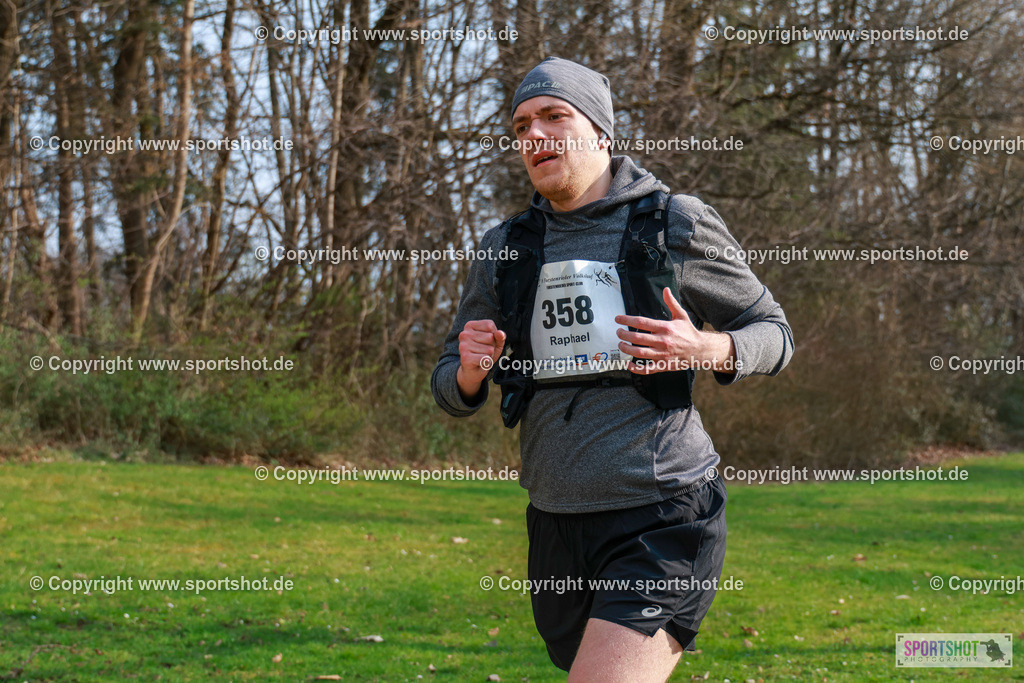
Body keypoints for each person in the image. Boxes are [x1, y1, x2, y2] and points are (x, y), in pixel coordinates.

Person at [431, 56, 794, 682]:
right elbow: (448, 380)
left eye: (554, 117)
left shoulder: (673, 223)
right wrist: (468, 372)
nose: (534, 135)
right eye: (521, 126)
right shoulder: (505, 247)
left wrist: (707, 348)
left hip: (662, 513)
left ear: (601, 131)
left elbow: (775, 333)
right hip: (554, 519)